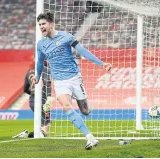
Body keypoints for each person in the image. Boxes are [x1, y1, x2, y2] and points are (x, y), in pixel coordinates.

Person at [32, 12, 112, 150]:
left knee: (85, 111)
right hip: (59, 81)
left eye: (43, 24)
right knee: (66, 106)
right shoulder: (41, 44)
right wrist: (37, 76)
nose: (41, 27)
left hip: (75, 78)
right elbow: (40, 62)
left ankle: (85, 106)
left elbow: (83, 51)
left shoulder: (66, 37)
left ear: (51, 24)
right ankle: (89, 137)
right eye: (39, 25)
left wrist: (101, 63)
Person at [12, 62, 52, 138]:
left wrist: (33, 94)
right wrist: (49, 97)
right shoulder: (46, 70)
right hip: (43, 98)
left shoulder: (29, 72)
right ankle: (29, 135)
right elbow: (48, 84)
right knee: (46, 119)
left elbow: (25, 89)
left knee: (41, 119)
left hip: (32, 100)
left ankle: (31, 134)